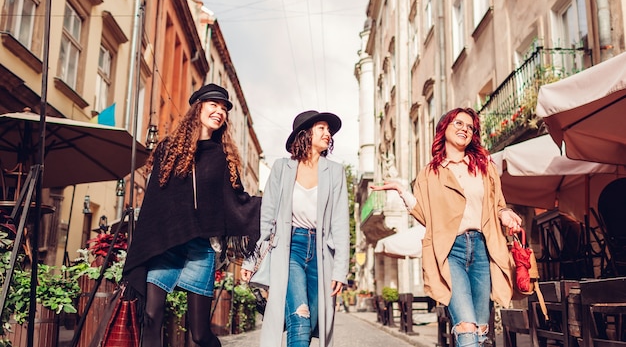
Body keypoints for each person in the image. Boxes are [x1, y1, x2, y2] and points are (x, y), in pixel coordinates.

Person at [122, 83, 261, 347]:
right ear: (198, 107)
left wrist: (274, 203)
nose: (219, 111)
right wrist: (143, 247)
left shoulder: (223, 157)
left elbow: (236, 200)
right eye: (214, 105)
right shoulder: (168, 149)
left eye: (224, 108)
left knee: (199, 334)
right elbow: (154, 203)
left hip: (201, 248)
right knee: (151, 316)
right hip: (167, 244)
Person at [371, 107, 522, 347]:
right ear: (444, 128)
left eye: (470, 127)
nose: (465, 129)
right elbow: (426, 217)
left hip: (484, 249)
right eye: (459, 124)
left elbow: (499, 205)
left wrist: (506, 214)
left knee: (482, 330)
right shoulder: (430, 173)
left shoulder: (486, 167)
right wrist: (402, 191)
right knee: (466, 328)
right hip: (451, 251)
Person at [241, 110, 350, 347]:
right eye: (321, 128)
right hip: (290, 249)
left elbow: (340, 223)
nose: (328, 133)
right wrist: (252, 260)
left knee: (311, 323)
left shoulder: (335, 172)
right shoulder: (282, 168)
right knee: (300, 318)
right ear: (305, 133)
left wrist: (341, 269)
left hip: (322, 255)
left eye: (329, 130)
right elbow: (267, 220)